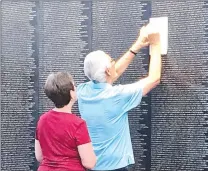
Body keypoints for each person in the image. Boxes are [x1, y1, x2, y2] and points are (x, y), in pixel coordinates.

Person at [77, 24, 162, 171]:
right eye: (111, 61)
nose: (114, 62)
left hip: (92, 167)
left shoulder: (83, 91)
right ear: (108, 70)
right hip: (116, 167)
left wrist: (138, 44)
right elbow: (154, 79)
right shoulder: (116, 96)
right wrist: (155, 44)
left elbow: (110, 74)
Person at [35, 72, 97, 171]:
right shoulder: (78, 124)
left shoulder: (42, 120)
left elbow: (40, 156)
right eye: (74, 86)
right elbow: (89, 163)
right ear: (71, 93)